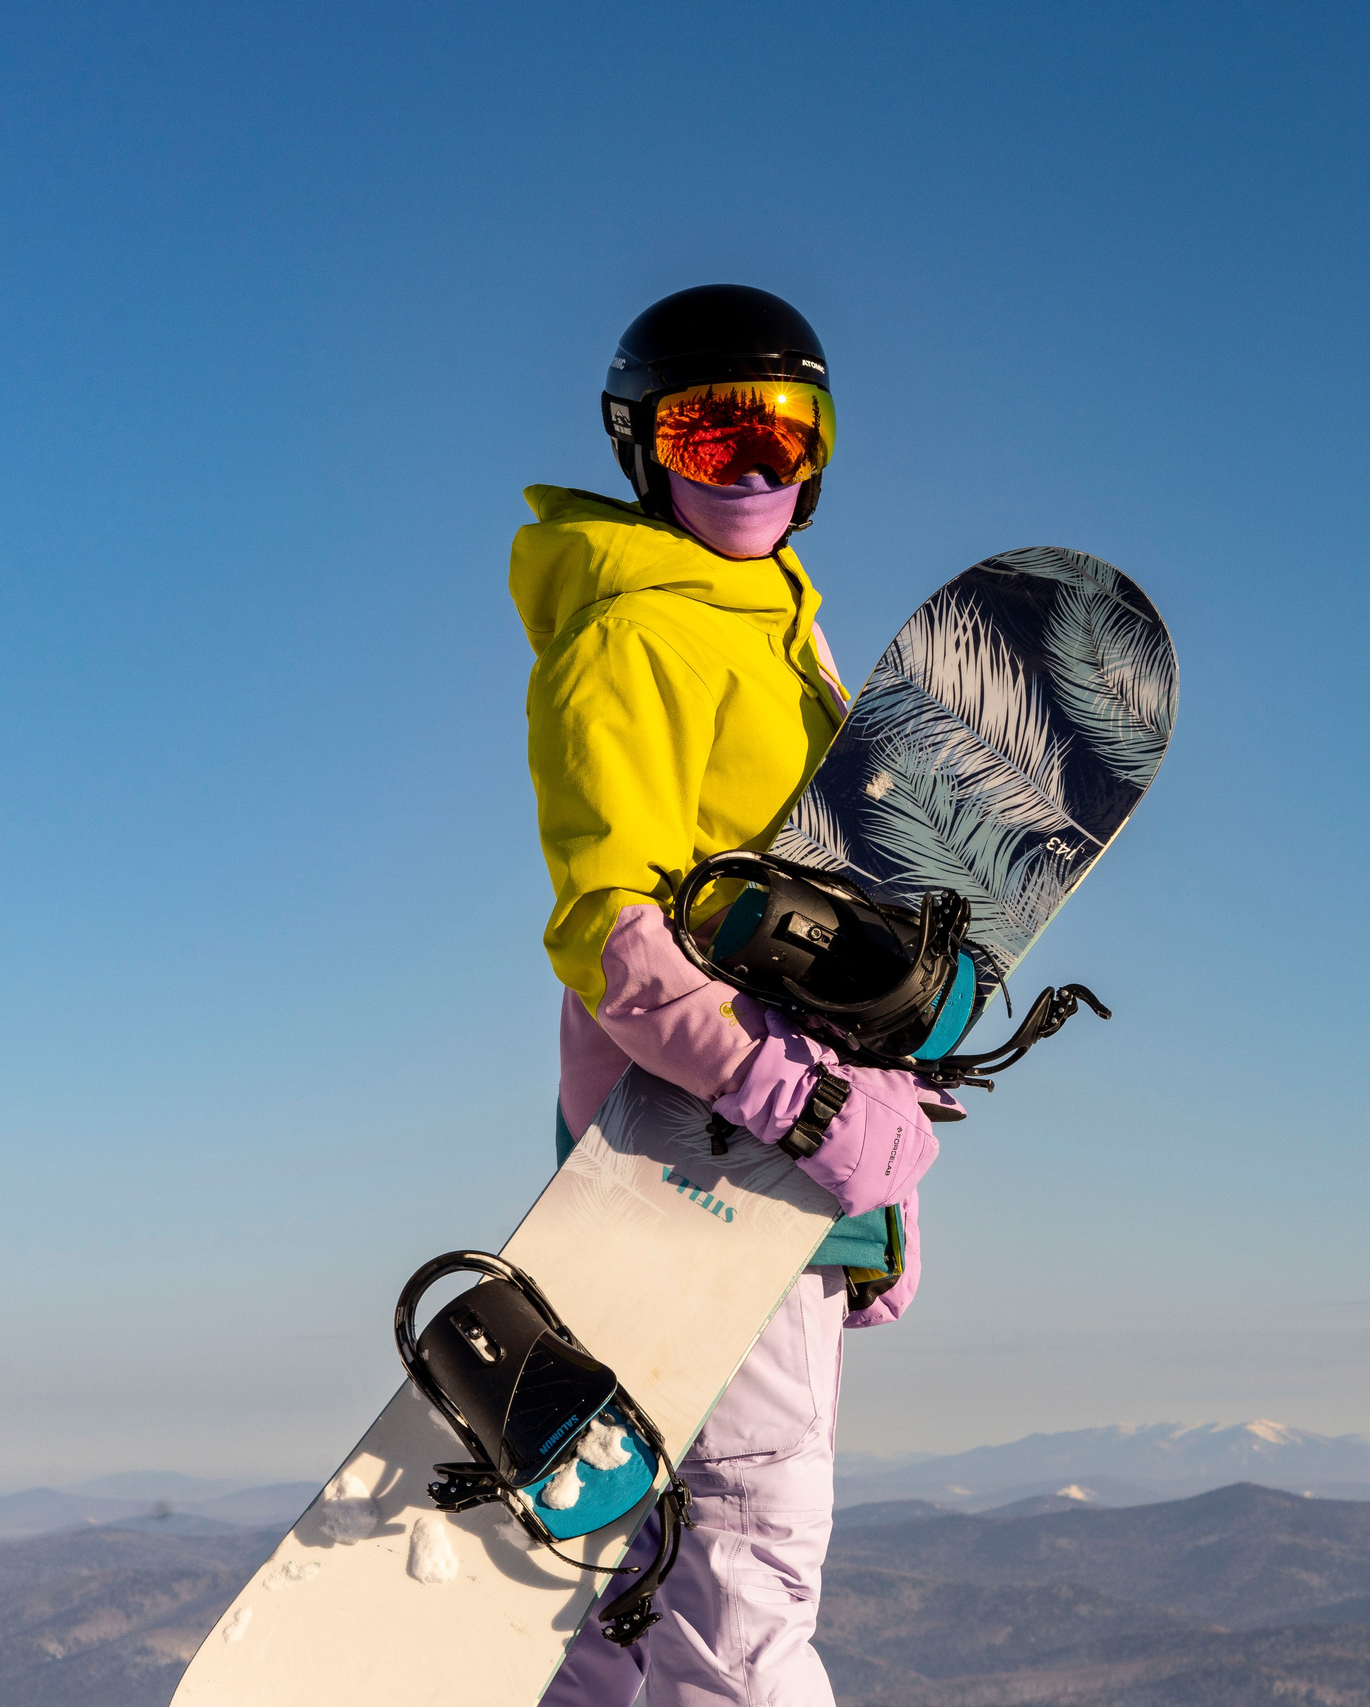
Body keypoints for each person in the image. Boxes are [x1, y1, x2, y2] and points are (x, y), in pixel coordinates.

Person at [509, 284, 947, 1706]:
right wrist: (799, 1103)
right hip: (700, 1145)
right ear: (642, 447)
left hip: (764, 1152)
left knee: (660, 1555)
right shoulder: (634, 636)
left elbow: (831, 929)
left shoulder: (783, 631)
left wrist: (873, 1185)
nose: (756, 468)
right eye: (714, 434)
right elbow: (612, 934)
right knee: (750, 1548)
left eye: (787, 432)